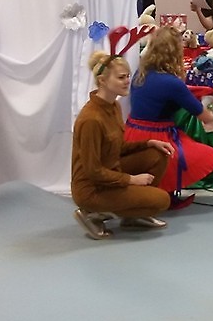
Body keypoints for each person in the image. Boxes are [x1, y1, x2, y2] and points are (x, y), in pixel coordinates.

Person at [71, 51, 173, 240]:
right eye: (121, 77)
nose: (127, 81)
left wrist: (149, 143)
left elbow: (117, 148)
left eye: (127, 76)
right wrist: (131, 180)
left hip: (111, 173)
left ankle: (132, 214)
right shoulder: (91, 119)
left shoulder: (114, 106)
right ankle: (92, 213)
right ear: (102, 81)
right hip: (92, 188)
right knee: (161, 200)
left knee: (157, 154)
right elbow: (93, 171)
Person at [124, 27, 213, 209]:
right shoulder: (172, 83)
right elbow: (202, 114)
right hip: (157, 136)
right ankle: (162, 196)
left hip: (132, 132)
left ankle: (162, 194)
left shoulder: (141, 72)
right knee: (204, 155)